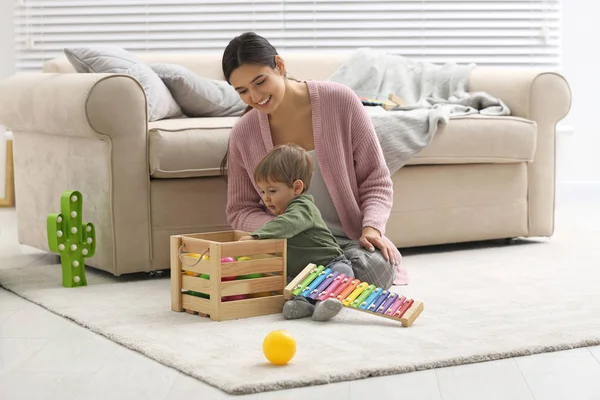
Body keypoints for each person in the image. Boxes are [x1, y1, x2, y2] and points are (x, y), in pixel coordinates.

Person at [221, 32, 405, 291]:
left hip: (351, 243)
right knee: (260, 270)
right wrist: (284, 229)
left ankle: (310, 288)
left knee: (378, 268)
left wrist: (372, 229)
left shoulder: (340, 100)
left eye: (260, 82)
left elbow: (376, 180)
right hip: (294, 247)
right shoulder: (244, 133)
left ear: (280, 65)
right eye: (242, 91)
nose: (254, 96)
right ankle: (331, 287)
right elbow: (240, 210)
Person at [239, 143, 355, 321]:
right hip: (302, 274)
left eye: (272, 190)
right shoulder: (284, 213)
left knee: (342, 272)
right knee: (292, 284)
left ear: (297, 188)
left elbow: (288, 224)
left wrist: (257, 236)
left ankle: (327, 301)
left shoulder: (303, 207)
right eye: (262, 191)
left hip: (328, 264)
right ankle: (303, 303)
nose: (266, 198)